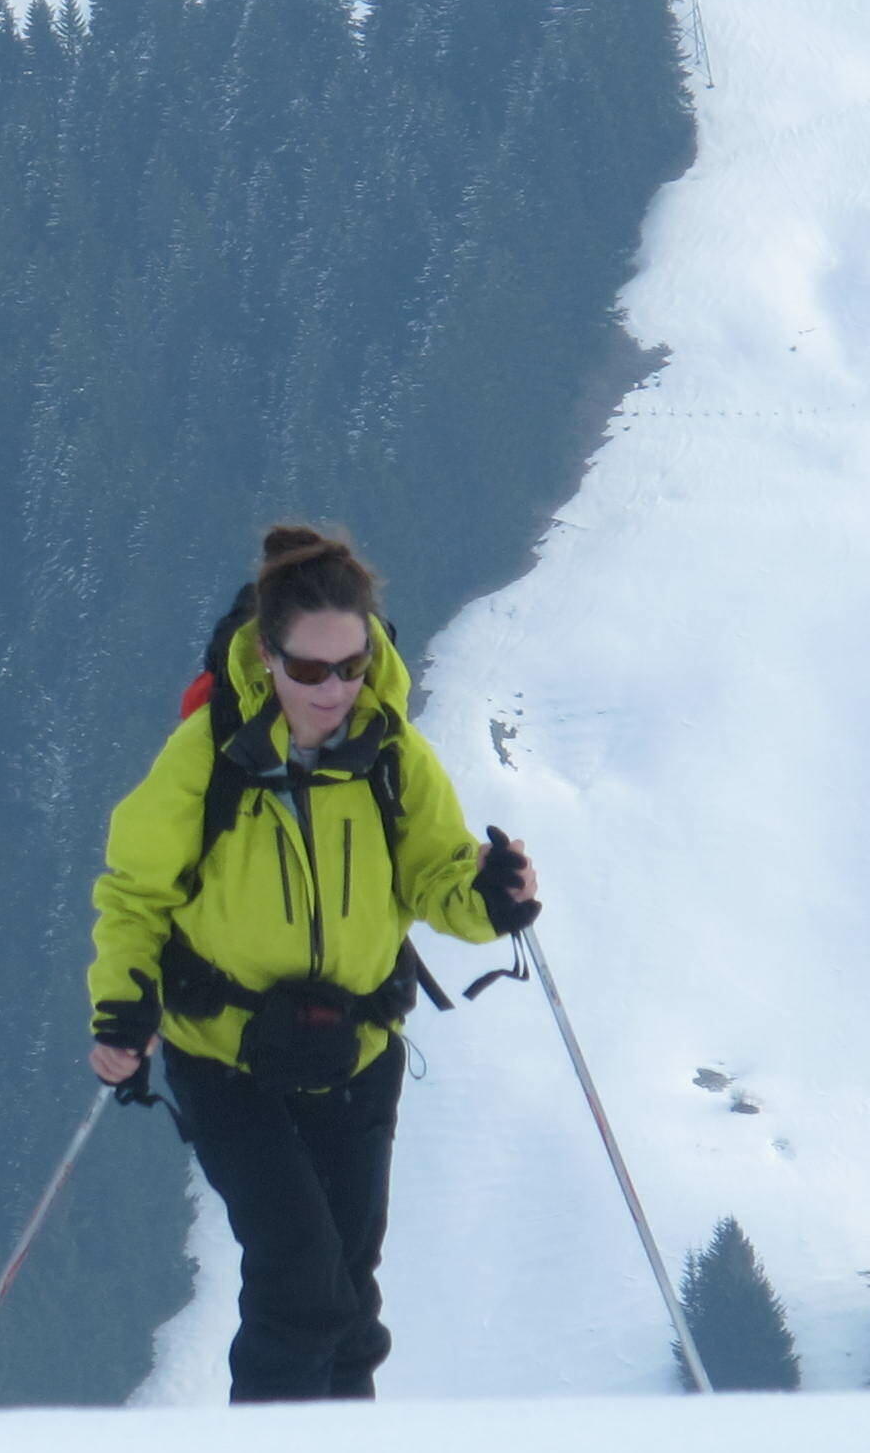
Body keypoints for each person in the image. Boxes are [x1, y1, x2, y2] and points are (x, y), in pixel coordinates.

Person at [83, 524, 539, 1401]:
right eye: (309, 669)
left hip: (356, 1055)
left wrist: (492, 895)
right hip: (228, 1060)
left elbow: (438, 875)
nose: (333, 690)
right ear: (267, 657)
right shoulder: (207, 756)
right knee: (300, 1281)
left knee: (349, 1300)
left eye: (352, 666)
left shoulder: (391, 754)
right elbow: (135, 895)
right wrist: (123, 1012)